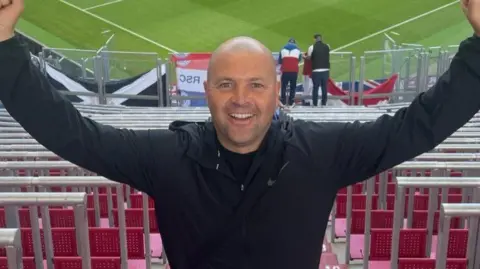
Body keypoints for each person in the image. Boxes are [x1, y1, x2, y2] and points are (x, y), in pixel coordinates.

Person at [1, 1, 480, 268]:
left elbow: (420, 125)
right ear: (206, 92)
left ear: (278, 92)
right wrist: (3, 46)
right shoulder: (165, 155)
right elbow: (72, 134)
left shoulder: (325, 151)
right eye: (226, 84)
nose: (241, 99)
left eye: (255, 85)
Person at [278, 37, 301, 106]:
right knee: (293, 86)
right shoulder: (298, 51)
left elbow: (280, 61)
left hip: (285, 70)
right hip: (294, 70)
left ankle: (283, 101)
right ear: (294, 43)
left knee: (284, 86)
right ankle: (291, 101)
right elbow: (299, 59)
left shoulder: (282, 50)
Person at [308, 33, 330, 106]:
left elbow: (309, 57)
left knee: (315, 87)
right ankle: (323, 103)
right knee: (324, 87)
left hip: (316, 70)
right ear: (321, 38)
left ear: (314, 39)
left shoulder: (312, 47)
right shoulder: (327, 46)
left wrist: (304, 57)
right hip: (326, 70)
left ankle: (315, 104)